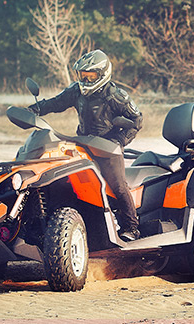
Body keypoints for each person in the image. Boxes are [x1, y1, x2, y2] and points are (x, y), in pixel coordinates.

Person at [28, 49, 143, 242]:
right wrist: (38, 108)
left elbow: (137, 120)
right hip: (82, 144)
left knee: (118, 186)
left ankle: (131, 228)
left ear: (103, 74)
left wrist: (119, 141)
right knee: (64, 180)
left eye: (91, 76)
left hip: (107, 147)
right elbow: (57, 103)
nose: (86, 80)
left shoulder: (116, 96)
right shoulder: (76, 91)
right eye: (83, 75)